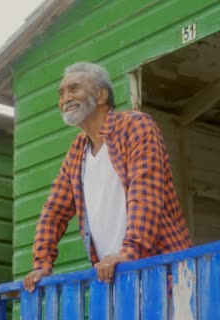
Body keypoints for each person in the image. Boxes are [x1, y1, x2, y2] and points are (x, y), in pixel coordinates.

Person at [23, 62, 191, 292]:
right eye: (61, 93)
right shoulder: (77, 151)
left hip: (166, 276)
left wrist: (129, 253)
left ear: (102, 95)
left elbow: (146, 195)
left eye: (74, 88)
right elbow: (53, 212)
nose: (65, 98)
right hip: (116, 281)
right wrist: (41, 263)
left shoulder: (136, 126)